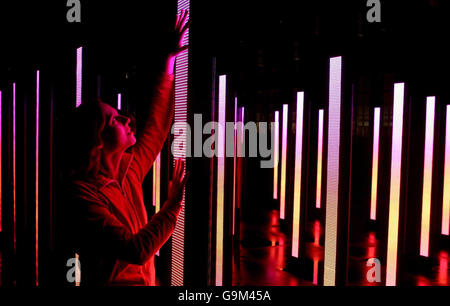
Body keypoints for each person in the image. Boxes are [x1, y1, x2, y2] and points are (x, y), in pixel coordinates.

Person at [62, 10, 190, 286]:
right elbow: (136, 250)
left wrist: (167, 66)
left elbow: (155, 128)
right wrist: (172, 205)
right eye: (114, 119)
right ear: (97, 139)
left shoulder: (127, 171)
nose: (126, 119)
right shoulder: (82, 195)